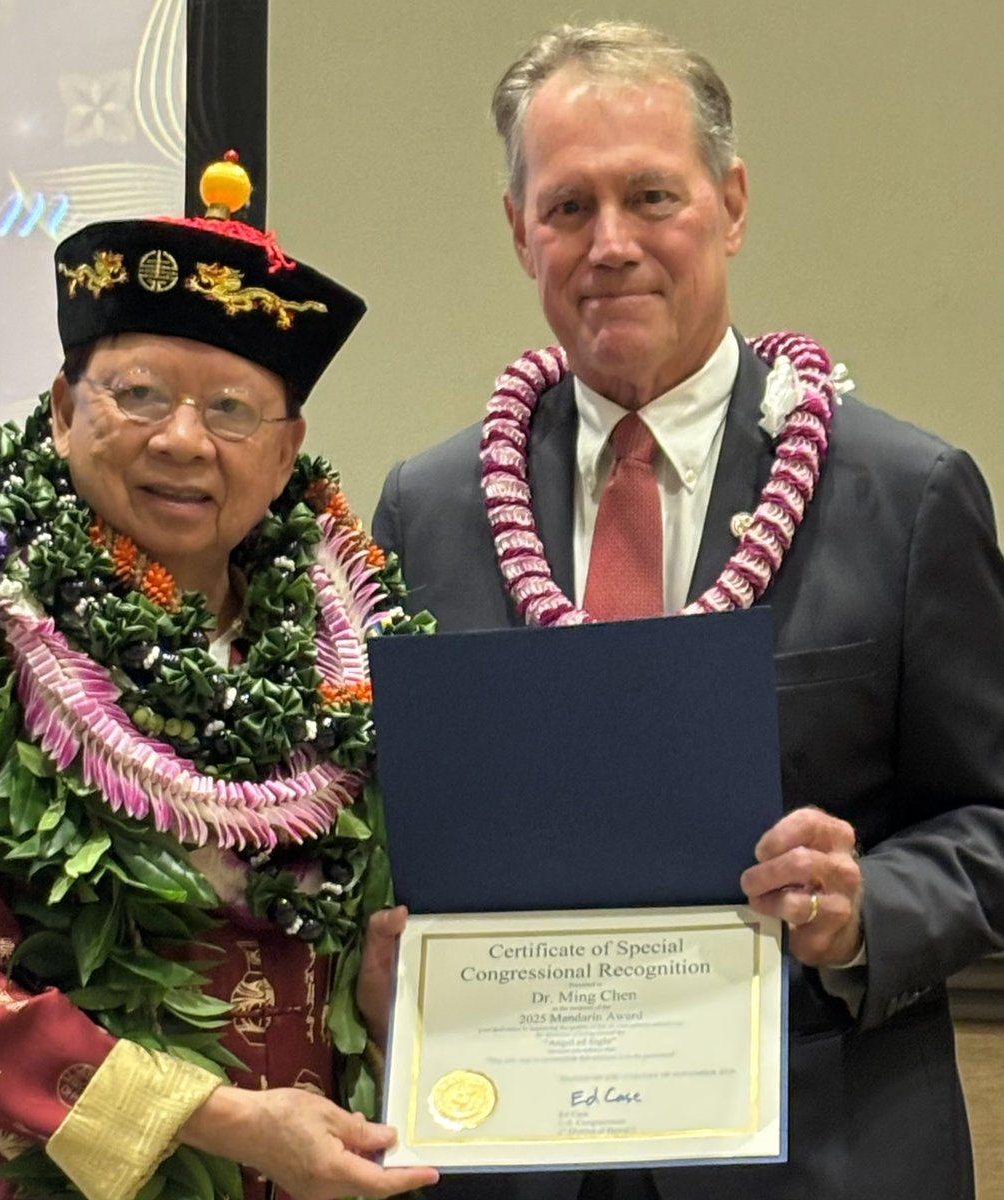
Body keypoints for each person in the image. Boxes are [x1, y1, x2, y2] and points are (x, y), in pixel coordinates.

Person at [371, 20, 1004, 1200]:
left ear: (730, 203)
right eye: (567, 208)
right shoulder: (429, 507)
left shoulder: (907, 496)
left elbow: (992, 820)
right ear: (519, 230)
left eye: (650, 195)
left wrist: (871, 908)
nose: (609, 245)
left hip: (822, 1155)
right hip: (511, 1155)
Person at [0, 153, 439, 1200]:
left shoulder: (357, 675)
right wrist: (228, 1122)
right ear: (66, 410)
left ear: (290, 447)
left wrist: (398, 1002)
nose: (180, 440)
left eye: (229, 409)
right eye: (141, 395)